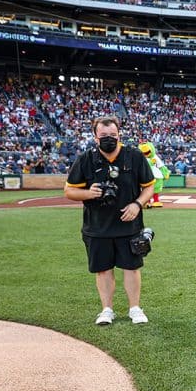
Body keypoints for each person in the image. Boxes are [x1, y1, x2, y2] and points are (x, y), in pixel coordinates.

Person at [64, 115, 155, 326]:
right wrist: (89, 194)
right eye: (103, 135)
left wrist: (137, 204)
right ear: (95, 137)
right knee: (103, 269)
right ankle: (107, 310)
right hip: (97, 226)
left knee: (131, 267)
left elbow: (149, 186)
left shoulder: (134, 156)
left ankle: (135, 308)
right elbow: (69, 191)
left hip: (129, 224)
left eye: (113, 135)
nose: (109, 139)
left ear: (119, 134)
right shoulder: (86, 159)